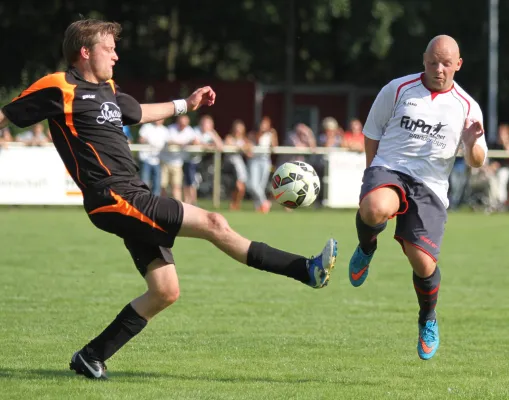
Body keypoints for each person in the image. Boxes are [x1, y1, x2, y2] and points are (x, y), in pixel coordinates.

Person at [0, 18, 337, 380]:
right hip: (112, 195)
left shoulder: (108, 90)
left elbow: (139, 112)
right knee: (214, 223)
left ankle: (91, 355)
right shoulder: (59, 86)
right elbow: (7, 116)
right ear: (85, 52)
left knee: (165, 291)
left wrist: (186, 104)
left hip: (133, 193)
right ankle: (306, 270)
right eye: (108, 48)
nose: (115, 55)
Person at [347, 35, 487, 360]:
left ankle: (428, 317)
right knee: (374, 207)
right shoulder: (397, 89)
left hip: (431, 188)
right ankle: (367, 247)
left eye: (446, 64)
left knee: (423, 263)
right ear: (423, 59)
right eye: (432, 62)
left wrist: (469, 143)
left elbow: (477, 161)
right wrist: (372, 176)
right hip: (391, 169)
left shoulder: (467, 107)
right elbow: (372, 132)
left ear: (458, 65)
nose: (438, 69)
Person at [224, 119, 251, 210]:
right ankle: (233, 203)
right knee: (238, 186)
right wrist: (239, 147)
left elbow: (250, 153)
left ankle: (236, 204)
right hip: (230, 166)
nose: (238, 131)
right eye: (237, 128)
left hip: (240, 166)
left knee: (241, 187)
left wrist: (245, 148)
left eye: (240, 129)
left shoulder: (244, 140)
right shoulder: (229, 137)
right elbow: (227, 145)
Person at [138, 119, 168, 196]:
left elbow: (168, 142)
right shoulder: (146, 127)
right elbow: (140, 139)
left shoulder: (165, 130)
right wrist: (147, 141)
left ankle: (155, 202)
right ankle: (143, 199)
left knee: (157, 183)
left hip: (157, 160)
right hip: (145, 159)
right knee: (145, 182)